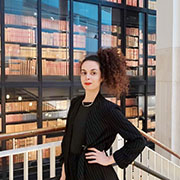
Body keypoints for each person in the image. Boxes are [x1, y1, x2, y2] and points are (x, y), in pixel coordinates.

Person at [59, 47, 146, 180]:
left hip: (95, 173)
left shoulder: (108, 109)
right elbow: (67, 140)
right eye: (84, 72)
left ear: (102, 77)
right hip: (73, 170)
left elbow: (138, 140)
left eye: (93, 73)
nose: (87, 77)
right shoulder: (75, 103)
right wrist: (63, 174)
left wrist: (109, 159)